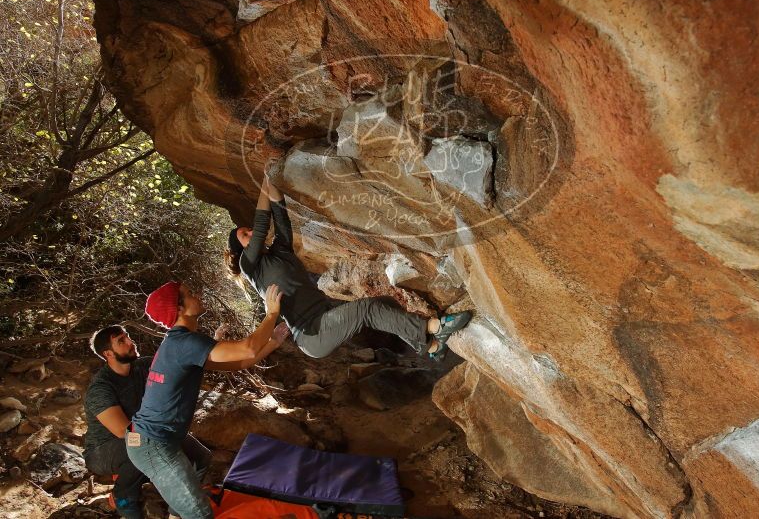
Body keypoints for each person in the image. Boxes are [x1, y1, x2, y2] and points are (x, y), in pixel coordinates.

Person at [224, 171, 472, 362]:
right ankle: (437, 327)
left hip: (324, 314)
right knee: (366, 309)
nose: (249, 233)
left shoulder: (281, 251)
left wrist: (273, 183)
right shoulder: (250, 266)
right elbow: (260, 227)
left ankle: (431, 348)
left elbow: (281, 216)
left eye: (246, 230)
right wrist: (265, 182)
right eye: (243, 235)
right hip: (311, 334)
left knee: (386, 304)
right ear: (241, 250)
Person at [126, 281, 286, 519]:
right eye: (190, 294)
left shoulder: (181, 341)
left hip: (155, 437)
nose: (197, 294)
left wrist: (272, 342)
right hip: (152, 444)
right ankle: (187, 510)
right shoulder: (185, 343)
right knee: (200, 513)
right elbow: (249, 349)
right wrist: (272, 313)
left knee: (201, 458)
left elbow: (237, 363)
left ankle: (177, 511)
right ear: (179, 308)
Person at [83, 325, 212, 519]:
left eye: (127, 337)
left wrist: (208, 346)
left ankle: (178, 509)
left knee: (200, 456)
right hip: (104, 449)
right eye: (121, 341)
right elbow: (121, 431)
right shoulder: (101, 388)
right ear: (108, 353)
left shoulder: (143, 366)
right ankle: (123, 496)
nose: (130, 342)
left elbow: (179, 363)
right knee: (143, 449)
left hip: (145, 433)